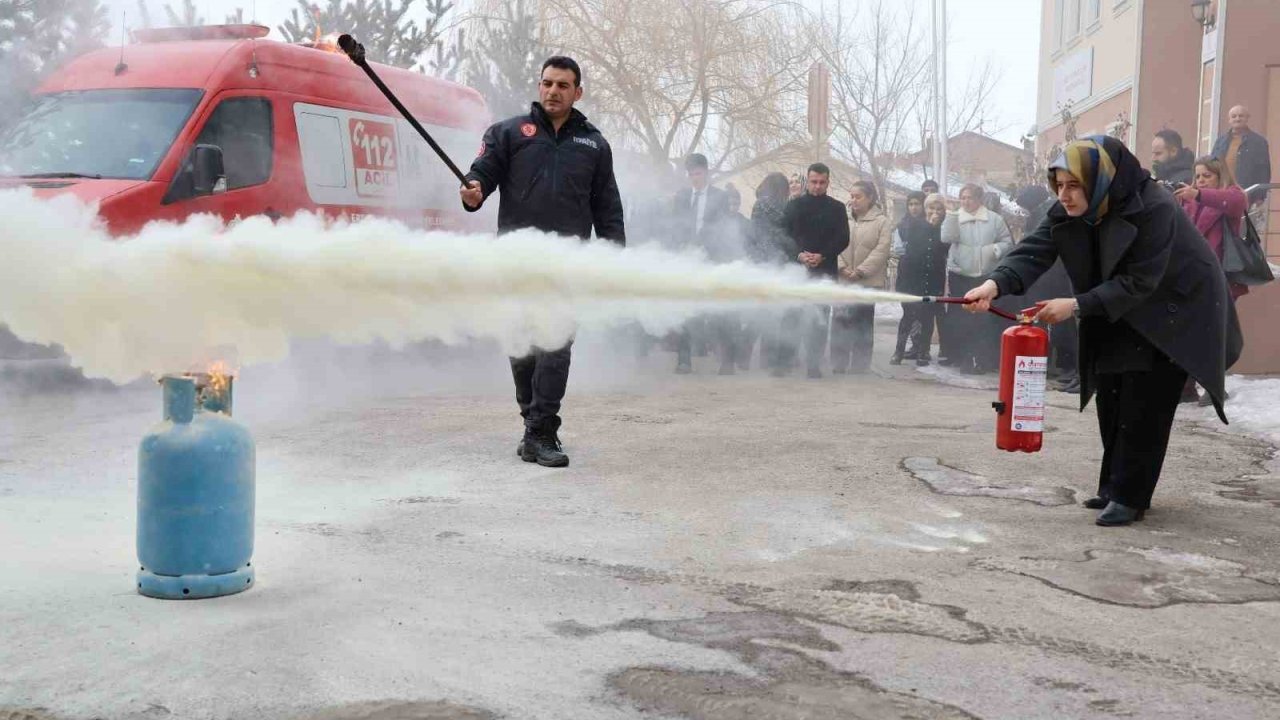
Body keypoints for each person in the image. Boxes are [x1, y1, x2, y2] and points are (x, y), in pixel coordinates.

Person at [964, 135, 1241, 526]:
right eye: (1059, 185)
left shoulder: (1155, 207)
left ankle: (1131, 496)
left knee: (1144, 399)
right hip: (1118, 303)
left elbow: (1142, 281)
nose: (1065, 195)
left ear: (1101, 179)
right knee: (1111, 390)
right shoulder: (1071, 208)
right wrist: (994, 285)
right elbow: (1035, 248)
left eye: (1074, 184)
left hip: (1175, 310)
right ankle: (1113, 487)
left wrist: (1075, 305)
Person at [460, 56, 625, 468]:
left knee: (555, 344)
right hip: (516, 259)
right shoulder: (510, 133)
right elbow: (481, 175)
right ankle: (531, 425)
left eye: (563, 85)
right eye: (547, 83)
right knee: (522, 347)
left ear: (578, 93)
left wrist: (613, 256)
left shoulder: (593, 145)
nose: (553, 91)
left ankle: (542, 431)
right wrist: (474, 191)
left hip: (567, 263)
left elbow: (607, 206)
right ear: (539, 86)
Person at [1174, 155, 1251, 405]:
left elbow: (1236, 203)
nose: (1201, 181)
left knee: (1215, 335)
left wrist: (1197, 195)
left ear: (1220, 176)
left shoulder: (1230, 194)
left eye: (1207, 176)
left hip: (1223, 279)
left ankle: (1214, 386)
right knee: (1191, 332)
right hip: (1195, 277)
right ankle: (1186, 387)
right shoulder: (1191, 201)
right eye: (1197, 176)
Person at [780, 162, 850, 378]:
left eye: (822, 182)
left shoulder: (837, 208)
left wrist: (823, 255)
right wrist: (799, 254)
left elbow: (843, 238)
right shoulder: (793, 206)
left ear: (828, 182)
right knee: (792, 315)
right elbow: (783, 236)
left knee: (819, 318)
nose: (817, 186)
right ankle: (785, 361)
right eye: (814, 182)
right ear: (807, 181)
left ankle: (814, 364)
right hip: (796, 270)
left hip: (824, 270)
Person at [941, 182, 1013, 374]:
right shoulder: (956, 217)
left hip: (986, 276)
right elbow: (946, 238)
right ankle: (963, 358)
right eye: (963, 198)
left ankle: (983, 359)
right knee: (962, 319)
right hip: (960, 274)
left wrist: (993, 251)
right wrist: (950, 215)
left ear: (979, 199)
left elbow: (1007, 242)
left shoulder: (994, 219)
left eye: (970, 197)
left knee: (984, 320)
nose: (966, 201)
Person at [1016, 184, 1079, 394]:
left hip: (1058, 273)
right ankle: (1074, 371)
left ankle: (1077, 371)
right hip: (1054, 273)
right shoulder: (1042, 211)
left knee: (1071, 327)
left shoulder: (1047, 212)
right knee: (1068, 326)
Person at [671, 153, 730, 374]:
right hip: (687, 260)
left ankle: (726, 359)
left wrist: (711, 249)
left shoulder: (721, 197)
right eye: (692, 174)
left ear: (706, 172)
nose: (695, 178)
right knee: (685, 308)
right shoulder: (682, 197)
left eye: (699, 173)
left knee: (718, 308)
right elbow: (675, 227)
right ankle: (683, 359)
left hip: (712, 259)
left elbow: (725, 229)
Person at [831, 180, 892, 373]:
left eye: (858, 197)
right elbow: (833, 244)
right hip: (843, 280)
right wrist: (842, 267)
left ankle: (860, 365)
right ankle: (838, 363)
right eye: (852, 196)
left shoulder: (881, 222)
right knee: (840, 321)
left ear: (870, 198)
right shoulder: (843, 219)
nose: (854, 201)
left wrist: (860, 271)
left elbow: (881, 251)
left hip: (867, 282)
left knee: (863, 323)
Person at [749, 172, 798, 373]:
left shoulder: (758, 204)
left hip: (762, 263)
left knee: (766, 312)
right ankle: (779, 360)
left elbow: (754, 233)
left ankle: (764, 358)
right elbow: (787, 231)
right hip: (779, 262)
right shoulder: (780, 206)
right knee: (782, 313)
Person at [892, 193, 948, 366]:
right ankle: (898, 351)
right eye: (931, 208)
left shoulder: (945, 228)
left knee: (927, 317)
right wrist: (929, 227)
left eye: (939, 209)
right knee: (908, 315)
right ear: (926, 209)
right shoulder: (914, 225)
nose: (935, 212)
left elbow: (945, 248)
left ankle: (923, 352)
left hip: (933, 278)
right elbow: (912, 250)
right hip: (913, 276)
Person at [890, 192, 927, 359]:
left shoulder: (929, 224)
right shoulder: (902, 225)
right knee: (908, 314)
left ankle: (920, 350)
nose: (914, 207)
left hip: (925, 275)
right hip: (907, 274)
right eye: (911, 204)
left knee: (922, 315)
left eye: (917, 204)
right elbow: (898, 250)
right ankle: (899, 350)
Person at [1211, 105, 1272, 204]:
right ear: (1229, 120)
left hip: (1245, 193)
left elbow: (1263, 170)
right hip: (1221, 191)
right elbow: (1211, 165)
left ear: (1247, 118)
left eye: (1241, 116)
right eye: (1234, 116)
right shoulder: (1220, 141)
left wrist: (1260, 196)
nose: (1237, 119)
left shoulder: (1258, 142)